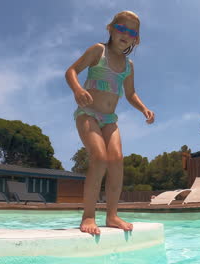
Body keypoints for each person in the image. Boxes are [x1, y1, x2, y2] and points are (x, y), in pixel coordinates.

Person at [65, 11, 155, 235]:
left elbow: (131, 93)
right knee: (100, 157)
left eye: (131, 31)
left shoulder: (128, 66)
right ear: (111, 29)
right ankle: (88, 215)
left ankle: (112, 215)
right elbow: (71, 71)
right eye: (121, 28)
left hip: (109, 120)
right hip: (88, 113)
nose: (126, 34)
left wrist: (143, 108)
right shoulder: (99, 51)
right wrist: (77, 89)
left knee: (116, 160)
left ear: (136, 39)